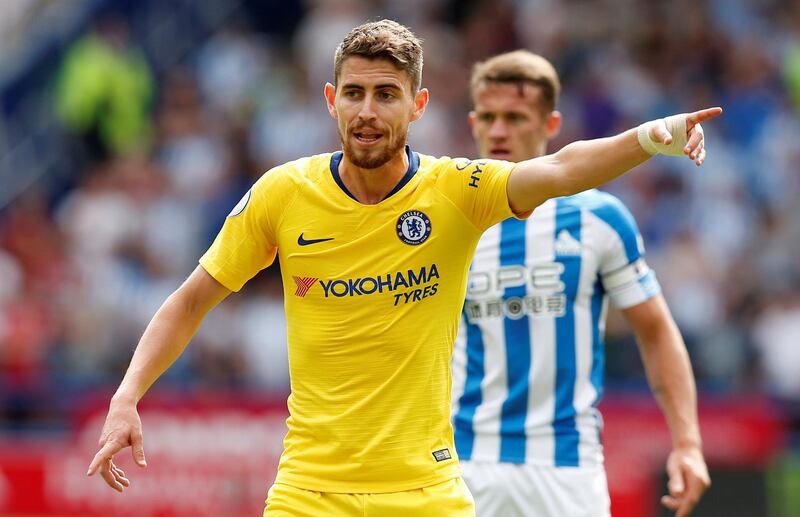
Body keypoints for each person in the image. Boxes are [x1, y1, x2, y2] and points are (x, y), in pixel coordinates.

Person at [86, 20, 720, 516]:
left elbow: (559, 169)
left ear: (417, 105)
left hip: (428, 492)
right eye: (355, 93)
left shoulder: (456, 193)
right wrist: (126, 397)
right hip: (310, 491)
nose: (368, 111)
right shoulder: (281, 195)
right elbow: (191, 299)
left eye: (386, 95)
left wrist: (653, 136)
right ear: (332, 99)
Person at [451, 50, 711, 517]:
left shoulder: (598, 218)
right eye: (487, 117)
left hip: (567, 469)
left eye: (514, 116)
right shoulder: (447, 218)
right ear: (472, 122)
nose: (498, 130)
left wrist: (688, 443)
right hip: (461, 464)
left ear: (551, 124)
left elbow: (655, 331)